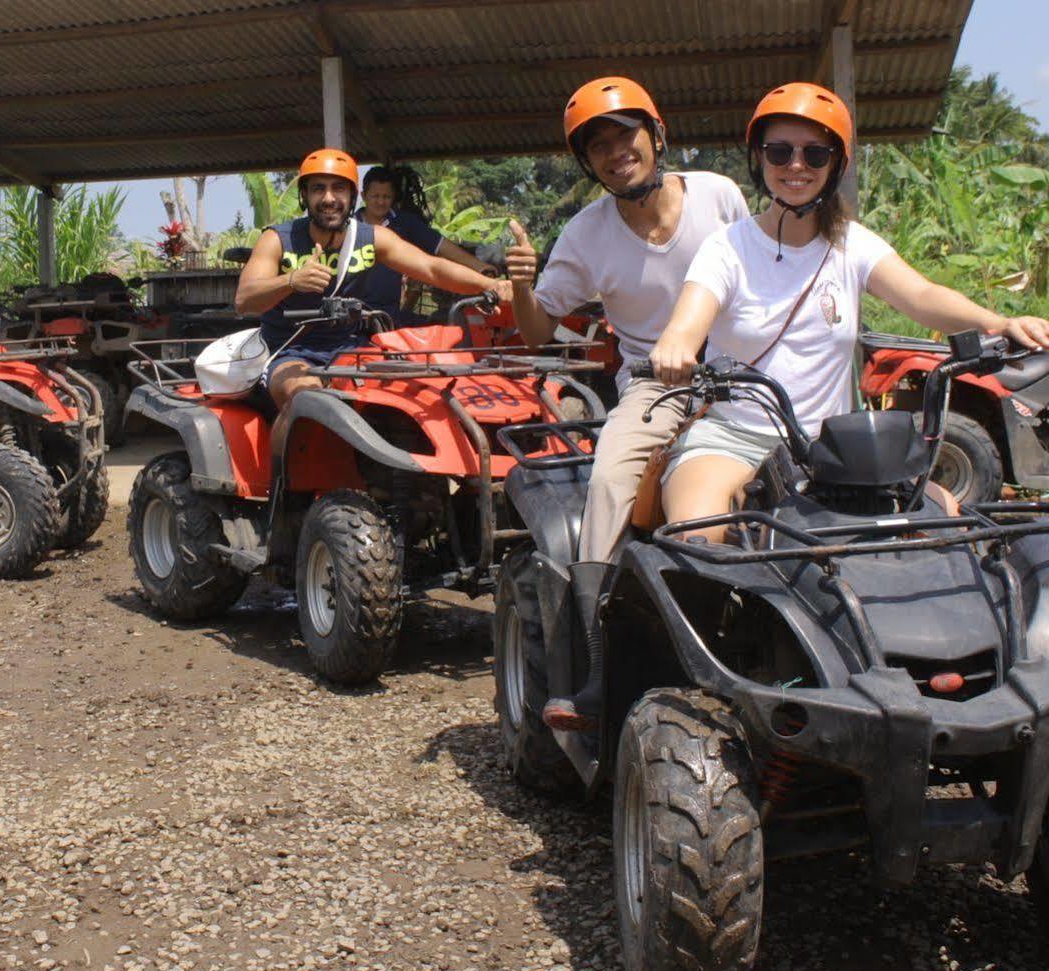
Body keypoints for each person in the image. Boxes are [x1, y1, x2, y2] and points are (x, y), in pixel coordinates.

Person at [650, 83, 1049, 538]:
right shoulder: (727, 247)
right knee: (696, 533)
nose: (796, 166)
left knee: (945, 523)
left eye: (815, 155)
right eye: (780, 152)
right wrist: (676, 346)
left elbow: (921, 296)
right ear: (759, 159)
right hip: (733, 437)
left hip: (835, 447)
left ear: (835, 163)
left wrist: (997, 323)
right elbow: (688, 320)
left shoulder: (850, 243)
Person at [505, 76, 750, 731]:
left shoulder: (718, 196)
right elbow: (535, 331)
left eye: (626, 137)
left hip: (746, 372)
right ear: (589, 165)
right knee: (610, 481)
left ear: (657, 136)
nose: (617, 153)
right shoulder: (585, 236)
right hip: (656, 383)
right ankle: (595, 669)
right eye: (599, 147)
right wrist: (522, 287)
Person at [235, 149, 512, 412]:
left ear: (353, 196)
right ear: (304, 196)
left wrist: (488, 284)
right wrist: (292, 280)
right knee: (308, 399)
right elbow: (245, 299)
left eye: (338, 188)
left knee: (412, 392)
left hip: (352, 347)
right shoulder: (278, 239)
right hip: (290, 351)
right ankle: (283, 463)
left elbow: (431, 268)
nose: (329, 198)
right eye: (318, 188)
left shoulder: (371, 238)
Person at [356, 165, 493, 316]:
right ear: (363, 196)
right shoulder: (349, 226)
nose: (381, 202)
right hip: (353, 312)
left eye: (386, 197)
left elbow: (441, 245)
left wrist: (481, 267)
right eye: (375, 196)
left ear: (393, 197)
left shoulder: (404, 223)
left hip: (388, 314)